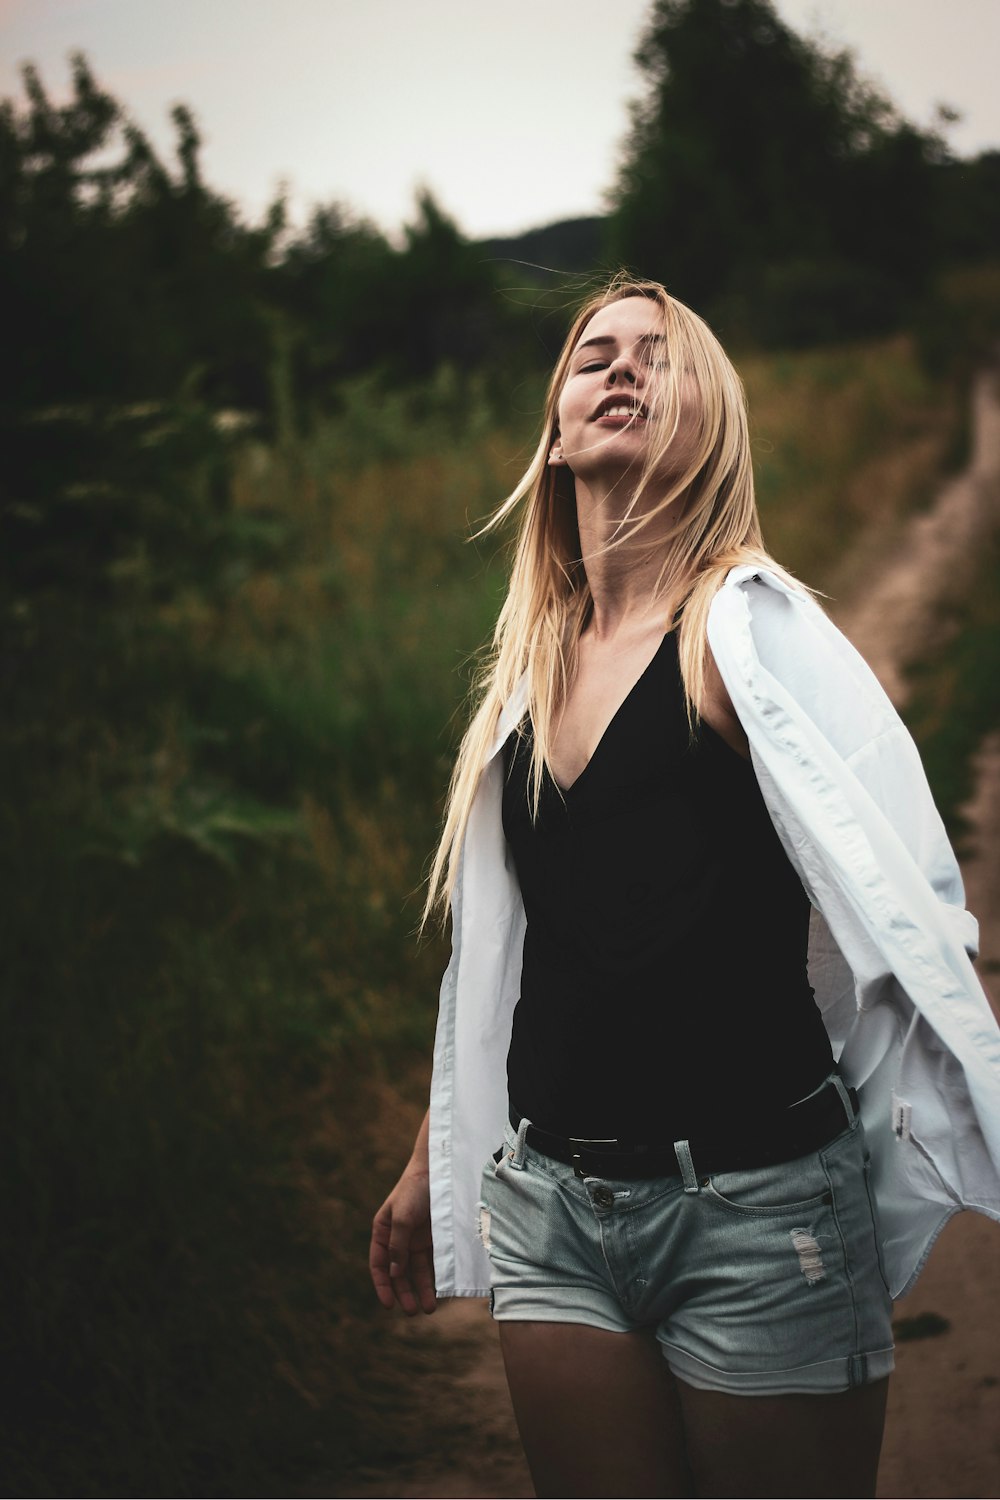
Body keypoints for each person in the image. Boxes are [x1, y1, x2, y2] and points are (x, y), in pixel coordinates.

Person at [369, 275, 1000, 1499]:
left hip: (762, 1217)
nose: (620, 369)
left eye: (659, 358)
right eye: (593, 354)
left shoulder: (755, 638)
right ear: (555, 429)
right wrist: (430, 1155)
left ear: (712, 423)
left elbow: (911, 899)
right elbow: (519, 950)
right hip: (551, 1209)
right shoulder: (527, 667)